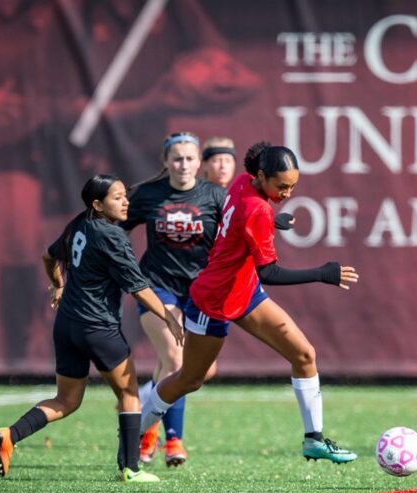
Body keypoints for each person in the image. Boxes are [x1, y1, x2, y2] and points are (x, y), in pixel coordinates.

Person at [140, 142, 359, 464]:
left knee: (304, 354)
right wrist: (322, 273)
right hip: (213, 300)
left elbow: (240, 224)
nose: (286, 193)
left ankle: (314, 440)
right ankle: (134, 434)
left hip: (245, 293)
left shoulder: (244, 183)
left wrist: (272, 222)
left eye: (292, 186)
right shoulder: (256, 209)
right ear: (261, 175)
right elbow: (269, 272)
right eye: (281, 186)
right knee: (189, 378)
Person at [0, 174, 183, 483]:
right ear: (98, 204)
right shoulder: (113, 235)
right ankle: (131, 469)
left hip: (67, 325)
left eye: (124, 195)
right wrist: (168, 317)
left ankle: (10, 434)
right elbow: (138, 287)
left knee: (66, 401)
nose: (125, 202)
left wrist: (58, 286)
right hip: (98, 327)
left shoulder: (80, 223)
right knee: (129, 393)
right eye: (117, 197)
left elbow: (49, 257)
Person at [120, 132, 227, 467]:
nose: (183, 164)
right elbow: (114, 226)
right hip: (155, 287)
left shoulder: (215, 195)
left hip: (200, 292)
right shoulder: (149, 195)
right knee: (176, 360)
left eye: (189, 158)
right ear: (165, 162)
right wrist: (117, 263)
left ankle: (146, 425)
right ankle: (173, 440)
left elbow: (241, 230)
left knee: (201, 370)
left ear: (200, 163)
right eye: (177, 158)